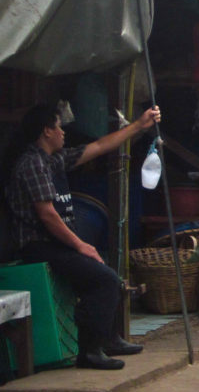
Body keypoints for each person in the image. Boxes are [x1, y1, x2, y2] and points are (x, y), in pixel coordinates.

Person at [6, 101, 161, 370]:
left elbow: (99, 147)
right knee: (103, 280)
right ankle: (89, 351)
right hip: (38, 245)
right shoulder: (31, 164)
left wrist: (138, 125)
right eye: (58, 126)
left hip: (56, 242)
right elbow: (47, 215)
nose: (64, 132)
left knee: (105, 270)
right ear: (46, 131)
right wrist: (80, 245)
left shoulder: (52, 160)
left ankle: (109, 338)